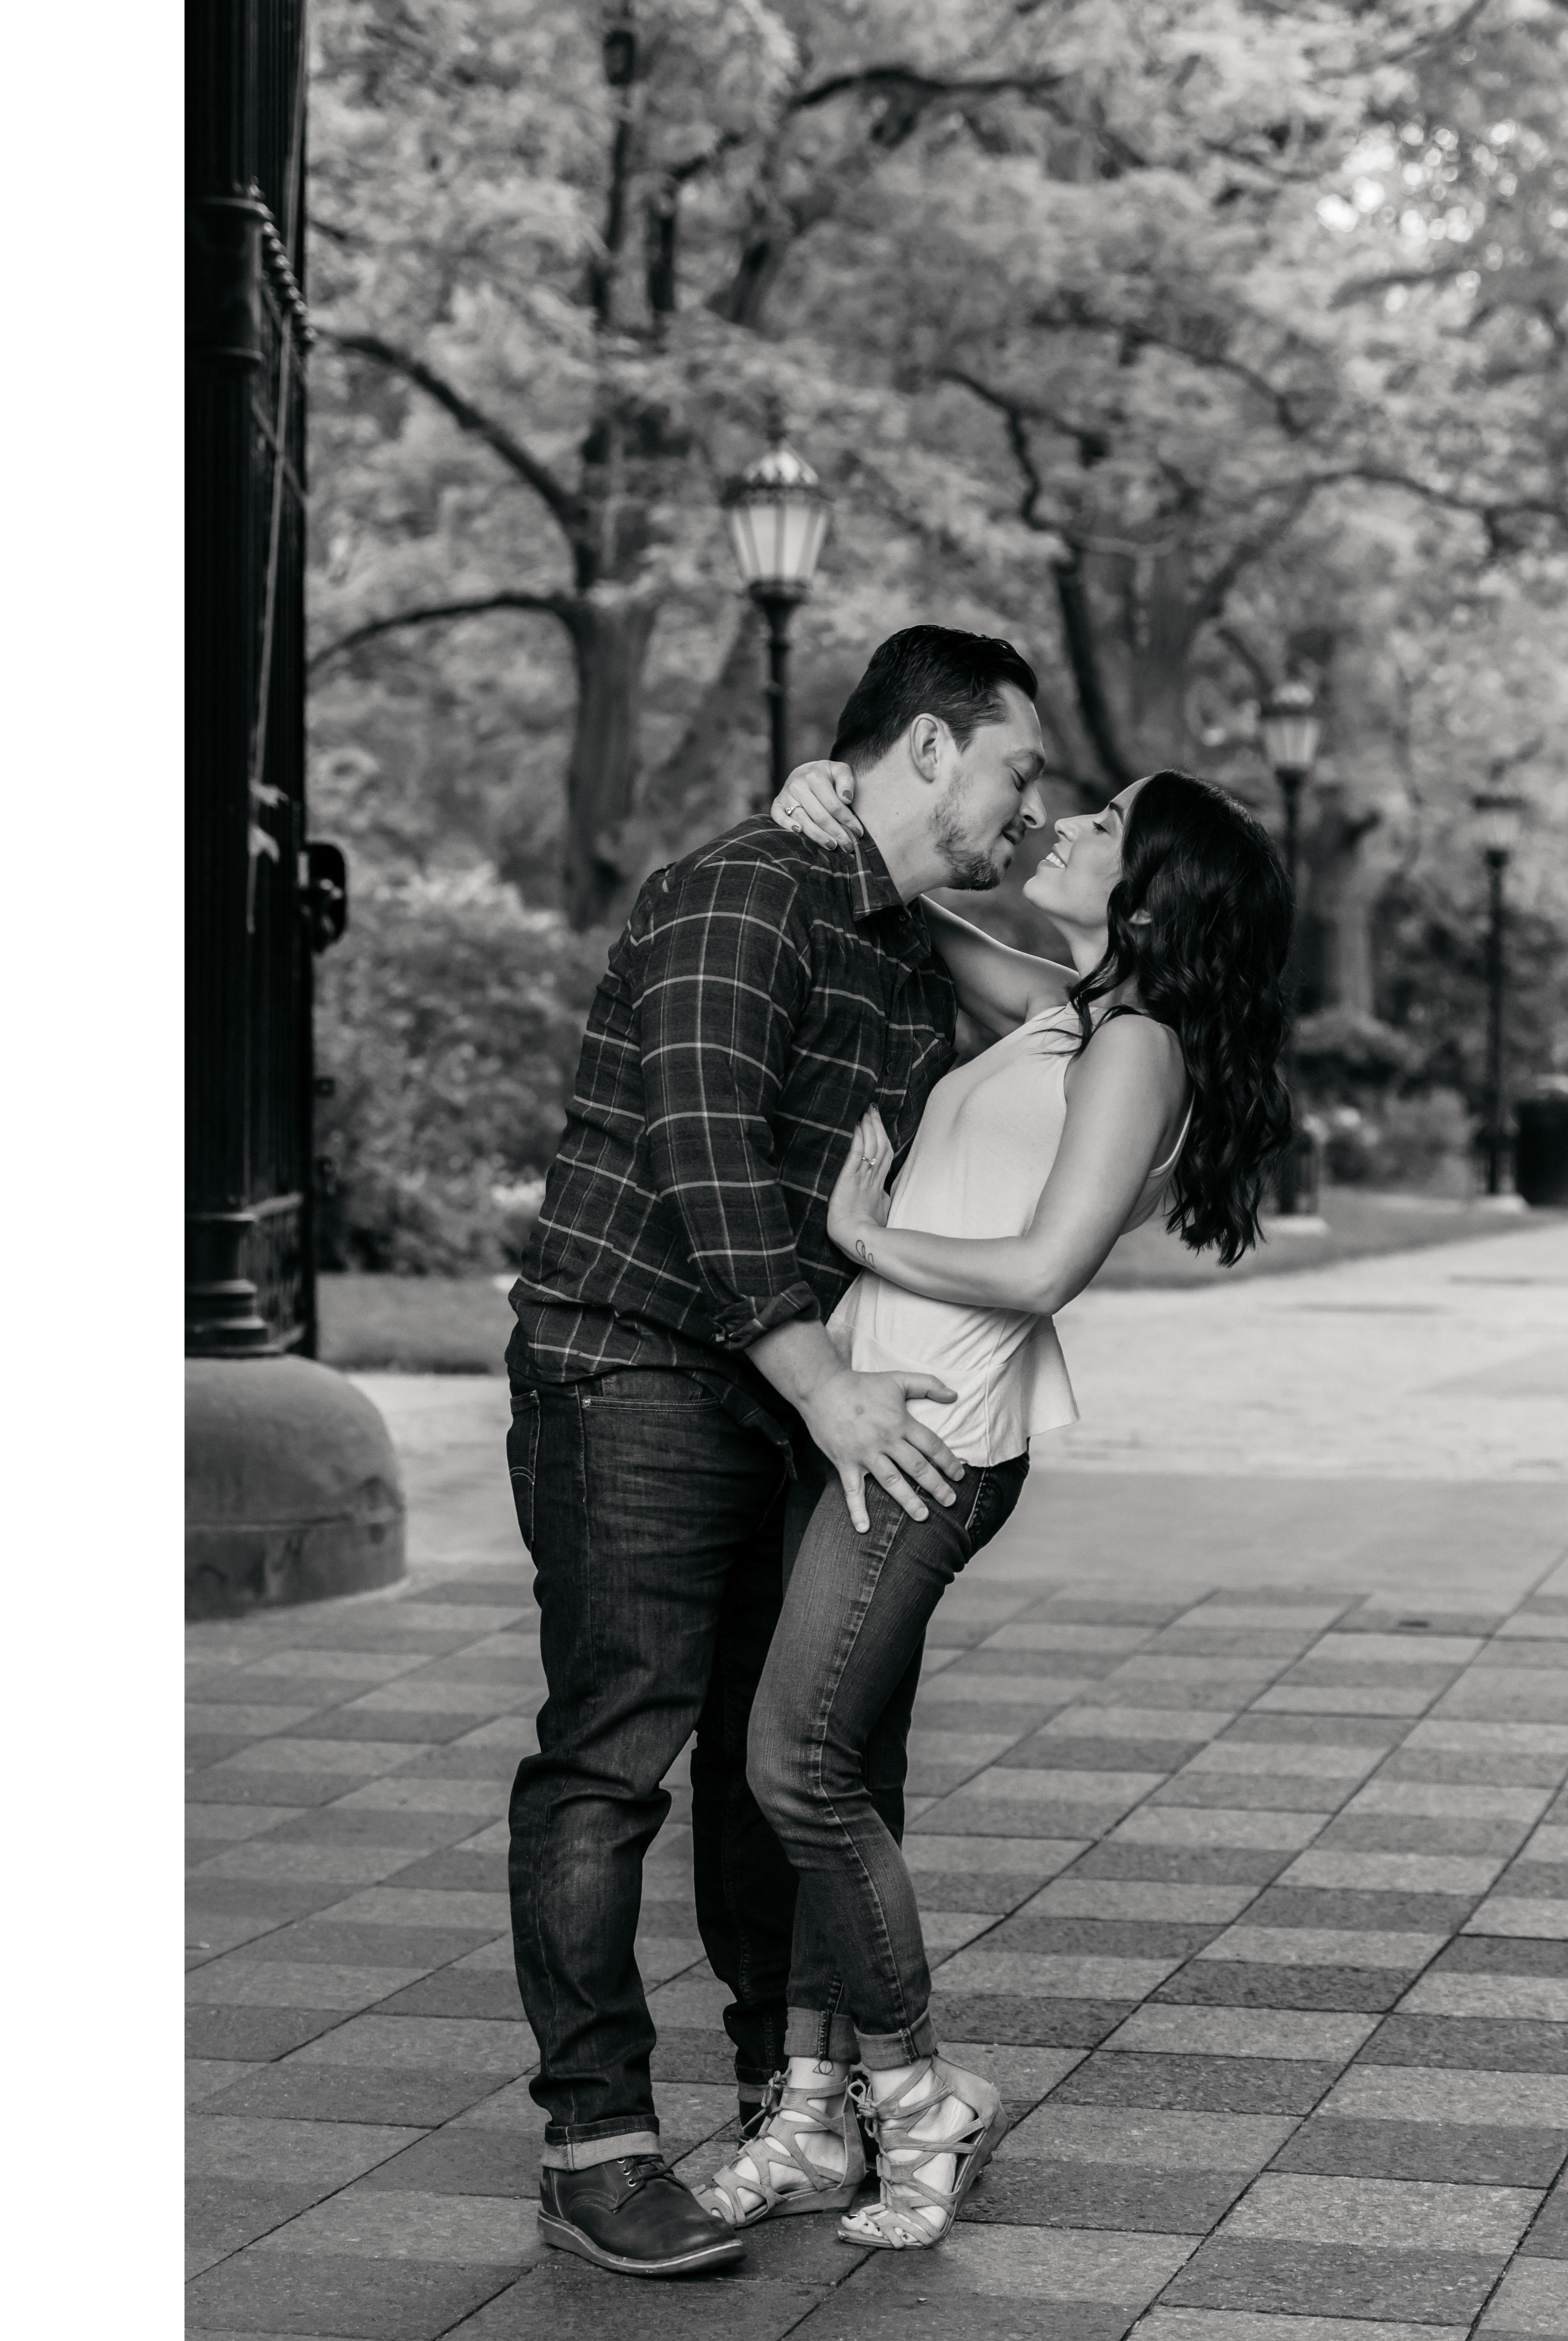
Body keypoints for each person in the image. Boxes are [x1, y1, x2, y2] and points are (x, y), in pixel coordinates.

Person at [502, 627, 1051, 2278]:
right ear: (934, 745)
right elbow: (708, 1156)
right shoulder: (741, 888)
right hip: (638, 1364)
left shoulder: (901, 945)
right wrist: (823, 1383)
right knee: (613, 1758)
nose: (1030, 810)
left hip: (779, 1388)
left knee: (777, 1764)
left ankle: (785, 2099)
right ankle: (594, 2140)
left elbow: (1076, 996)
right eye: (1017, 771)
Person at [694, 757, 1293, 2250]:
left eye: (1104, 825)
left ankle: (911, 2093)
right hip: (869, 1420)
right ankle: (815, 2113)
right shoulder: (1058, 1007)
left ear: (1154, 892)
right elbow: (907, 897)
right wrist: (829, 801)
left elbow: (1038, 1272)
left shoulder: (1137, 1046)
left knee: (793, 1769)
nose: (1066, 823)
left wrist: (859, 1233)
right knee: (840, 1774)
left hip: (933, 1440)